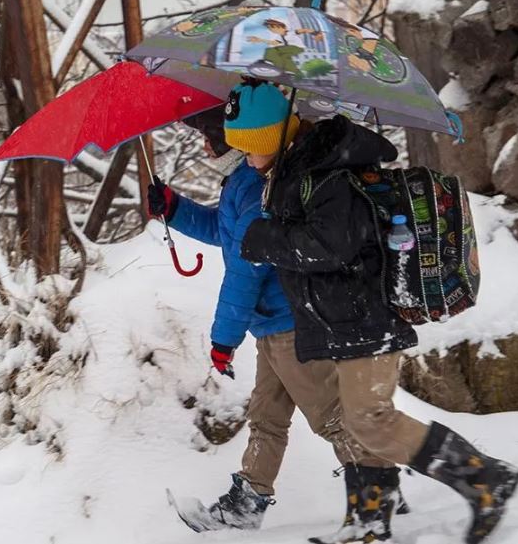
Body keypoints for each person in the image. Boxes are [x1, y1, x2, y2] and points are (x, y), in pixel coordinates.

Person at [231, 80, 518, 544]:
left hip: (365, 316)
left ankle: (485, 478)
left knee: (370, 419)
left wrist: (265, 238)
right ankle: (369, 522)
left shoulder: (326, 176)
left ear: (270, 138)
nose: (243, 158)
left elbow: (332, 246)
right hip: (341, 319)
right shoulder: (297, 173)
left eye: (247, 147)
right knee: (359, 419)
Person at [147, 86, 403, 538]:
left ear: (232, 140)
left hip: (288, 322)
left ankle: (378, 493)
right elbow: (225, 234)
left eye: (210, 138)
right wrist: (176, 209)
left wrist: (224, 339)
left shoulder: (254, 186)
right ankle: (247, 502)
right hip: (271, 324)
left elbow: (244, 272)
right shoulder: (240, 183)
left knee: (330, 417)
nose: (206, 147)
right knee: (266, 415)